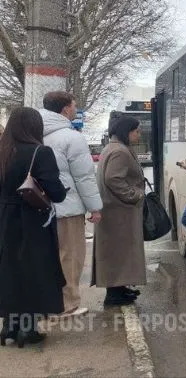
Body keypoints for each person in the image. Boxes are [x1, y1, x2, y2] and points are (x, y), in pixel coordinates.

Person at [0, 107, 68, 347]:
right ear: (35, 127)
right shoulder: (40, 152)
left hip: (4, 219)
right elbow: (56, 193)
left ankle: (9, 327)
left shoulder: (3, 151)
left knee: (8, 270)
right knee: (33, 270)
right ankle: (28, 329)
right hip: (32, 221)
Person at [39, 92, 103, 318]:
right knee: (71, 256)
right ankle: (68, 304)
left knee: (46, 258)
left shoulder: (34, 132)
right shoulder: (71, 137)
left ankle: (46, 303)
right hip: (67, 207)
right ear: (65, 109)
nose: (76, 109)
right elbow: (84, 177)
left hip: (38, 206)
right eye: (74, 105)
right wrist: (94, 208)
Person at [92, 116, 146, 306]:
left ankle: (119, 288)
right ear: (127, 131)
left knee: (119, 252)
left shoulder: (112, 147)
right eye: (137, 131)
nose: (139, 135)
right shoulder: (120, 152)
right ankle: (114, 293)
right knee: (119, 252)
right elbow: (113, 179)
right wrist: (135, 195)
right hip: (119, 212)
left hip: (115, 210)